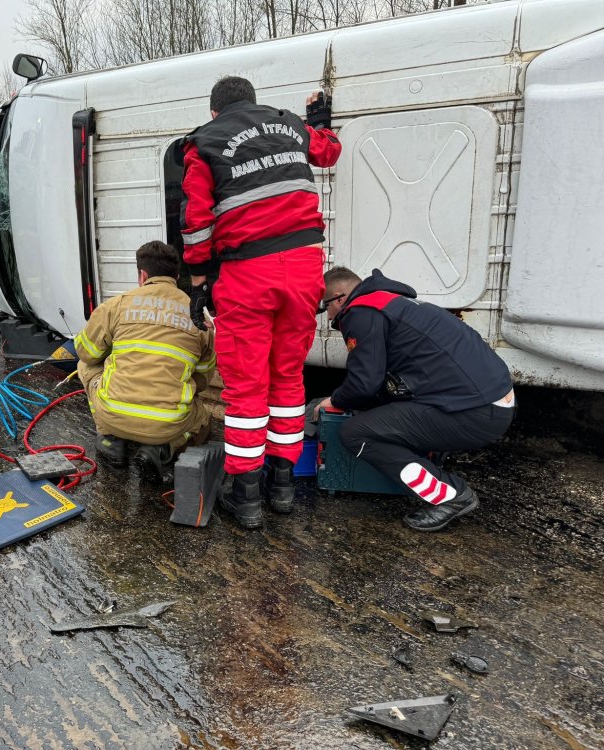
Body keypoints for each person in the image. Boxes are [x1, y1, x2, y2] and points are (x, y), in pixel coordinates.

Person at [180, 76, 342, 529]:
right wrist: (319, 120)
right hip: (305, 267)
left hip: (249, 273)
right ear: (253, 102)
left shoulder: (205, 142)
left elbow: (195, 224)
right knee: (288, 379)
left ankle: (247, 496)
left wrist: (197, 285)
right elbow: (328, 152)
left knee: (247, 387)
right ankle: (283, 487)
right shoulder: (289, 124)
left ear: (215, 111)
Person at [317, 267, 515, 532]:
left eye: (324, 307)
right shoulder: (393, 302)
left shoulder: (362, 312)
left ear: (339, 298)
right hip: (491, 403)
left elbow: (364, 384)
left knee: (355, 432)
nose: (327, 316)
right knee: (383, 409)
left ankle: (451, 496)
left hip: (475, 412)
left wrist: (334, 401)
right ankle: (432, 462)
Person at [74, 240, 215, 478]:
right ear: (176, 276)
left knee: (86, 365)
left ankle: (109, 436)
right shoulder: (197, 315)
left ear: (142, 274)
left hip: (113, 413)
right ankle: (161, 449)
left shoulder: (117, 305)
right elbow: (202, 378)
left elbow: (86, 353)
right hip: (167, 423)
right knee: (201, 418)